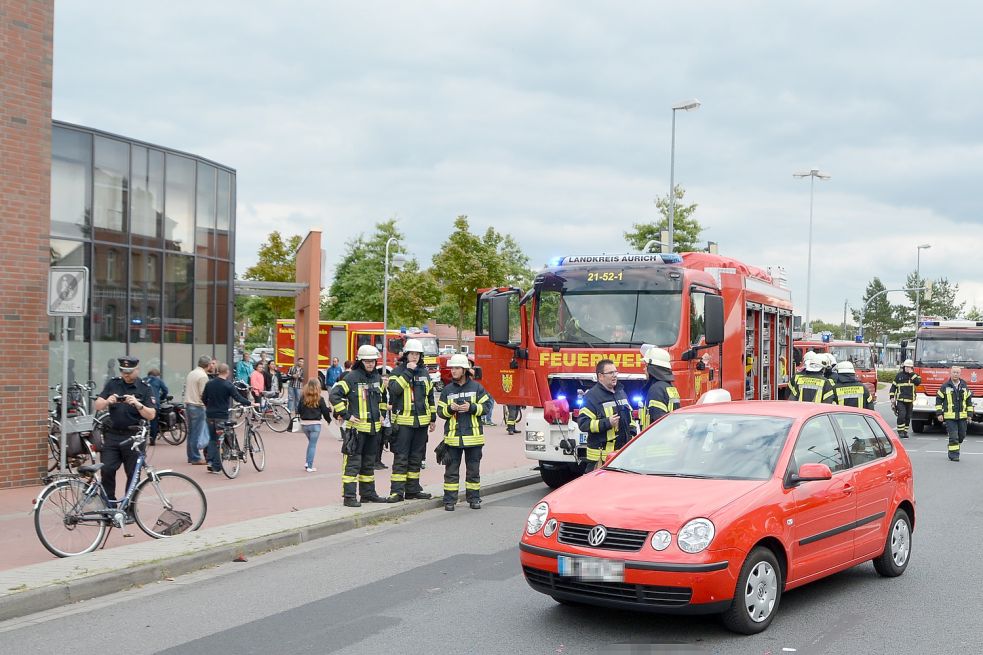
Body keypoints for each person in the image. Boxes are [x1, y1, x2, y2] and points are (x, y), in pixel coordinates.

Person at [92, 357, 156, 512]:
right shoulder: (113, 383)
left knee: (133, 475)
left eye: (129, 371)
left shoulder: (145, 388)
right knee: (106, 469)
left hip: (134, 437)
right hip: (112, 435)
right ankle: (109, 507)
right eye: (123, 371)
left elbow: (151, 415)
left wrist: (137, 404)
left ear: (137, 369)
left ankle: (129, 510)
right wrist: (108, 401)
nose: (125, 374)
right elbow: (98, 405)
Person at [330, 345, 388, 507]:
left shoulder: (376, 377)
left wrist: (382, 413)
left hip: (373, 429)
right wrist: (347, 415)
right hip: (356, 431)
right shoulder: (351, 377)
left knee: (368, 464)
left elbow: (382, 398)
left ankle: (368, 494)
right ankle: (349, 497)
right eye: (367, 361)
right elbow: (335, 395)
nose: (370, 364)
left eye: (372, 361)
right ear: (360, 361)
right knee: (353, 464)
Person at [437, 354, 491, 511]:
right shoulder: (447, 390)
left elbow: (486, 408)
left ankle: (474, 499)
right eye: (452, 368)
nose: (453, 371)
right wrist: (449, 408)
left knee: (473, 472)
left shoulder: (477, 388)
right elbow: (441, 412)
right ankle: (449, 501)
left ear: (465, 370)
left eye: (456, 368)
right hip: (453, 439)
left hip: (473, 439)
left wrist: (471, 408)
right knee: (451, 472)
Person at [386, 339, 436, 502]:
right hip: (403, 423)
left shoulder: (424, 373)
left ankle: (412, 490)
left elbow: (429, 396)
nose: (414, 357)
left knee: (416, 458)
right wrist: (408, 372)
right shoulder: (397, 372)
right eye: (412, 354)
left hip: (421, 423)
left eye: (417, 354)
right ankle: (397, 492)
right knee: (401, 458)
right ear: (406, 355)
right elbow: (394, 390)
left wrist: (433, 418)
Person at [577, 359, 633, 473]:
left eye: (615, 372)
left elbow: (629, 418)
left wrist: (633, 434)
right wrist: (607, 423)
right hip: (600, 459)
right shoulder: (591, 397)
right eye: (610, 373)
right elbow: (583, 424)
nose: (614, 376)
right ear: (600, 376)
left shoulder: (621, 392)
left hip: (621, 455)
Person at [201, 363, 253, 473]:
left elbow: (203, 398)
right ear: (228, 372)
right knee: (223, 440)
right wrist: (250, 403)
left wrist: (208, 406)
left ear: (218, 371)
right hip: (222, 416)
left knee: (212, 439)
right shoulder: (228, 385)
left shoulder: (209, 384)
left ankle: (210, 461)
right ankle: (216, 465)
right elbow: (238, 397)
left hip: (210, 415)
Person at [936, 365, 973, 462]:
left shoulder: (964, 386)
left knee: (962, 435)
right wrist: (939, 414)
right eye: (954, 372)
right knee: (953, 436)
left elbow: (969, 401)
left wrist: (970, 415)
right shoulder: (945, 386)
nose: (955, 374)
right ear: (950, 373)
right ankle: (954, 455)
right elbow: (939, 400)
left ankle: (953, 445)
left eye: (957, 372)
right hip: (949, 417)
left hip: (962, 416)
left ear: (960, 374)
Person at [297, 378, 333, 472]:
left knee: (310, 444)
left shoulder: (303, 397)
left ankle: (307, 462)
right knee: (312, 445)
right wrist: (328, 420)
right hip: (315, 425)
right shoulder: (320, 399)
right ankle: (309, 466)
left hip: (305, 424)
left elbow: (298, 410)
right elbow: (325, 411)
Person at [640, 346, 680, 429]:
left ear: (652, 368)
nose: (644, 369)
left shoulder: (656, 390)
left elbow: (657, 421)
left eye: (646, 366)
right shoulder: (669, 387)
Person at [184, 355, 212, 465]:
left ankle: (190, 456)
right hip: (197, 406)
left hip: (189, 404)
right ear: (208, 365)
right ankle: (195, 458)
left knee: (191, 432)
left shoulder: (192, 373)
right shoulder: (203, 376)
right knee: (197, 433)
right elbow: (203, 394)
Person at [889, 359, 921, 438]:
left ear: (912, 367)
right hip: (901, 400)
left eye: (909, 367)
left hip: (910, 401)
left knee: (908, 417)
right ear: (903, 367)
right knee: (901, 416)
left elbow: (918, 382)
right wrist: (892, 398)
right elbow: (893, 387)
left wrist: (911, 373)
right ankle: (900, 432)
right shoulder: (899, 376)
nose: (907, 368)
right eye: (906, 367)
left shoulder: (915, 376)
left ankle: (905, 431)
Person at [143, 368, 169, 446]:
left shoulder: (143, 380)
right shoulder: (158, 381)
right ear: (157, 375)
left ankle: (142, 438)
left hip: (144, 404)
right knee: (154, 421)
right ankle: (152, 439)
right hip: (154, 404)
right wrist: (162, 398)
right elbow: (165, 390)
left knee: (142, 420)